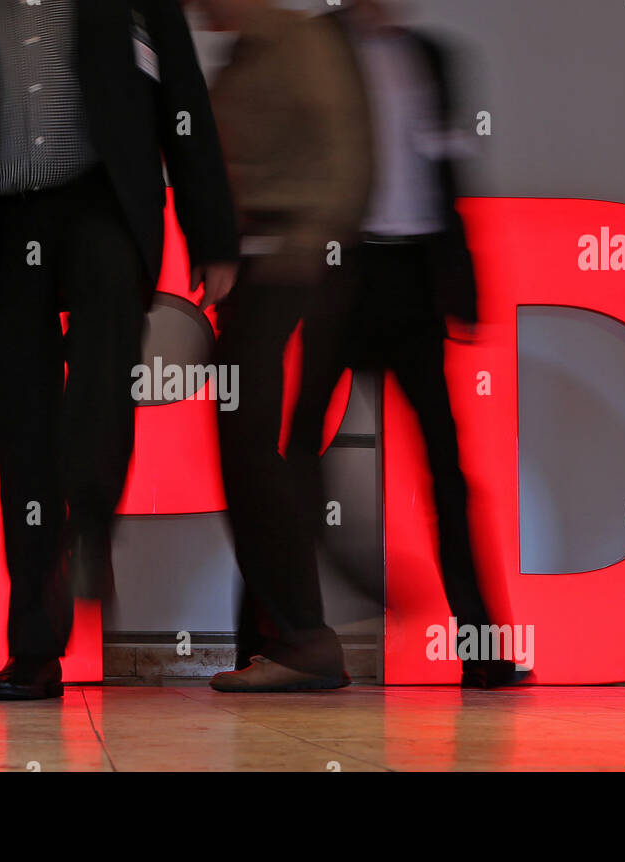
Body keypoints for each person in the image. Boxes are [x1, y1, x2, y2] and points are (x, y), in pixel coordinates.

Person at [0, 0, 239, 700]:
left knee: (104, 364)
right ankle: (35, 647)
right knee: (21, 442)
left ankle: (89, 517)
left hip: (101, 205)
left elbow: (181, 99)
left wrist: (213, 235)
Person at [287, 0, 518, 688]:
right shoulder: (314, 49)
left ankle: (482, 650)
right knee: (294, 459)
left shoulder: (431, 58)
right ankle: (275, 639)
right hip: (338, 271)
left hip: (412, 280)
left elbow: (451, 174)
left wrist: (463, 282)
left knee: (446, 469)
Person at [189, 0, 373, 692]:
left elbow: (343, 157)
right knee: (254, 457)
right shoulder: (250, 52)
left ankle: (302, 639)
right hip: (262, 277)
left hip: (286, 278)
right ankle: (280, 637)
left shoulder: (295, 44)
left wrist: (299, 259)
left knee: (261, 458)